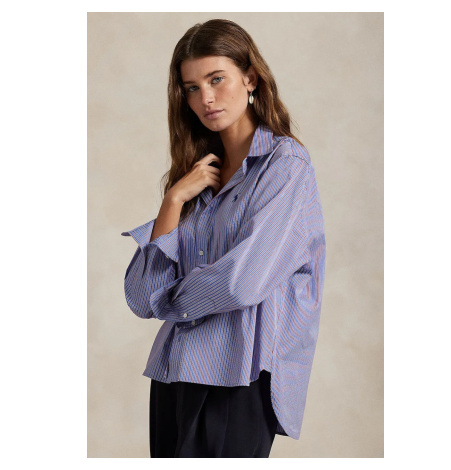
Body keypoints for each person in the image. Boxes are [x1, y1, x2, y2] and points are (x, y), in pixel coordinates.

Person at [121, 18, 326, 458]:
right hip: (174, 373)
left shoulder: (285, 167)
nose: (206, 99)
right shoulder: (197, 178)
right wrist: (173, 200)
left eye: (217, 79)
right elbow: (140, 296)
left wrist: (168, 301)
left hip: (238, 376)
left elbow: (241, 283)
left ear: (250, 78)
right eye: (192, 88)